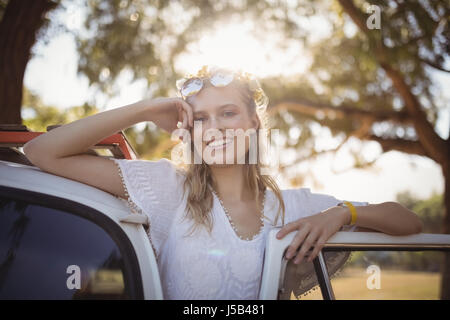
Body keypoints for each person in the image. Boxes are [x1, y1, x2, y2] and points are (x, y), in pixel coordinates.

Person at [23, 64, 423, 300]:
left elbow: (408, 221)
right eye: (200, 118)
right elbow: (42, 153)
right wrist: (146, 109)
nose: (213, 127)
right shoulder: (167, 189)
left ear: (253, 122)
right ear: (189, 130)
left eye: (228, 112)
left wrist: (342, 213)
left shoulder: (293, 207)